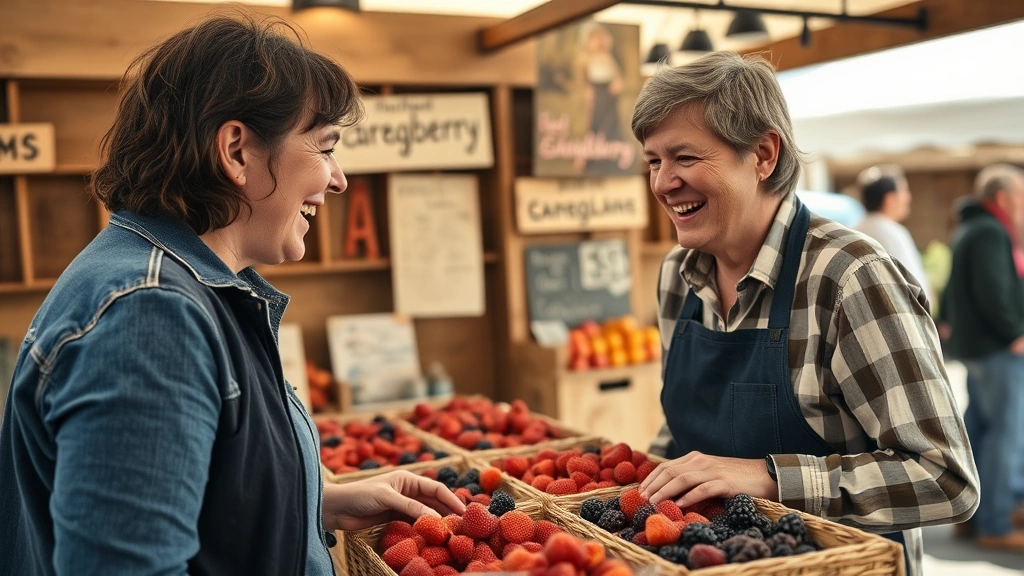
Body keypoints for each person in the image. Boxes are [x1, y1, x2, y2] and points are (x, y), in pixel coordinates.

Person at [0, 15, 464, 576]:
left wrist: (316, 500)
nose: (338, 179)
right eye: (324, 148)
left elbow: (195, 504)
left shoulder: (179, 285)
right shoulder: (151, 317)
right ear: (238, 151)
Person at [633, 52, 978, 576]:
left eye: (683, 157)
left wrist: (770, 478)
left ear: (763, 154)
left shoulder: (849, 277)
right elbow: (691, 438)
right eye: (653, 161)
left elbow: (946, 478)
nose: (662, 183)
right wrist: (642, 480)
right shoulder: (677, 277)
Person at [940, 164, 1024, 550]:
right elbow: (993, 290)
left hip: (975, 349)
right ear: (1003, 197)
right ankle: (994, 523)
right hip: (996, 347)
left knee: (978, 433)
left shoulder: (969, 228)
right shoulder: (990, 230)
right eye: (1020, 195)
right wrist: (1015, 333)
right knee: (1003, 437)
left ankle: (972, 518)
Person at [854, 165, 936, 308]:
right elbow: (914, 286)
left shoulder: (854, 230)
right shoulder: (893, 233)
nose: (908, 197)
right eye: (904, 191)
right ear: (889, 198)